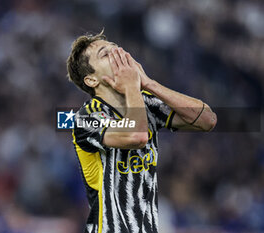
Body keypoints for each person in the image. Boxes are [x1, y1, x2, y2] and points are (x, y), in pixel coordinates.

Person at [66, 31, 217, 233]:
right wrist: (132, 87)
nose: (118, 53)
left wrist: (148, 83)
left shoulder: (145, 101)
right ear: (92, 80)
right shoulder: (86, 117)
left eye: (115, 47)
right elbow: (137, 136)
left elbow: (207, 120)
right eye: (105, 54)